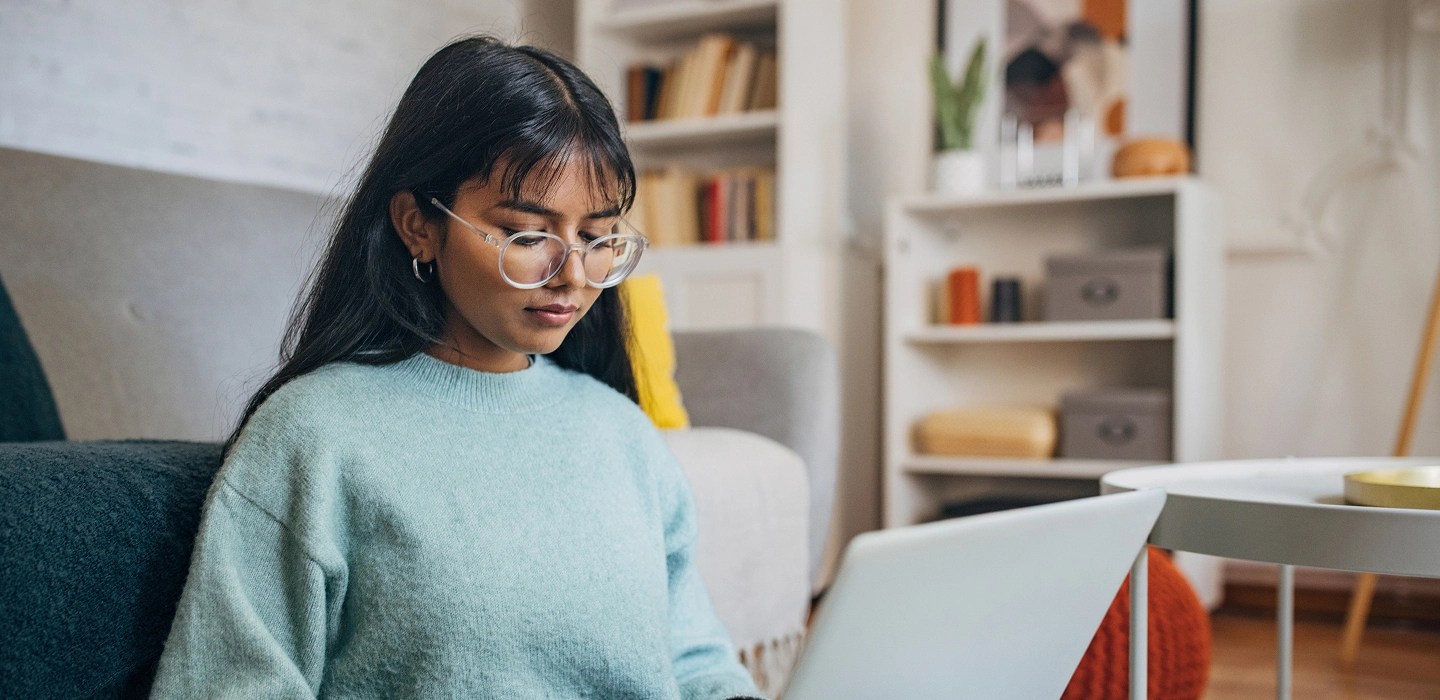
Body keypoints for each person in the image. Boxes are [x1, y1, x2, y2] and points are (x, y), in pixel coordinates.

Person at [150, 35, 763, 700]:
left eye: (596, 237)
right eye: (528, 235)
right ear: (418, 225)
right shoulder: (313, 436)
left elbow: (698, 663)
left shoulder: (625, 434)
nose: (574, 275)